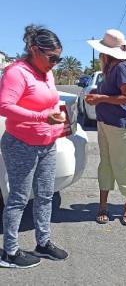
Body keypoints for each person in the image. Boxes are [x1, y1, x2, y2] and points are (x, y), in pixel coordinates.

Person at [0, 25, 68, 268]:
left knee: (46, 195)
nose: (55, 63)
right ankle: (9, 251)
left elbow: (50, 102)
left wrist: (59, 126)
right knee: (18, 198)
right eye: (53, 58)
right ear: (35, 50)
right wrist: (41, 119)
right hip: (21, 144)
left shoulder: (46, 72)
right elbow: (4, 106)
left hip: (46, 143)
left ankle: (43, 242)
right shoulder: (16, 72)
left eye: (59, 58)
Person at [86, 29, 126, 225]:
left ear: (106, 52)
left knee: (123, 166)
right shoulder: (110, 68)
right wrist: (98, 92)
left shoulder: (121, 67)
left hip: (121, 126)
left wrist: (101, 98)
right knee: (106, 165)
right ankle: (103, 205)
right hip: (106, 124)